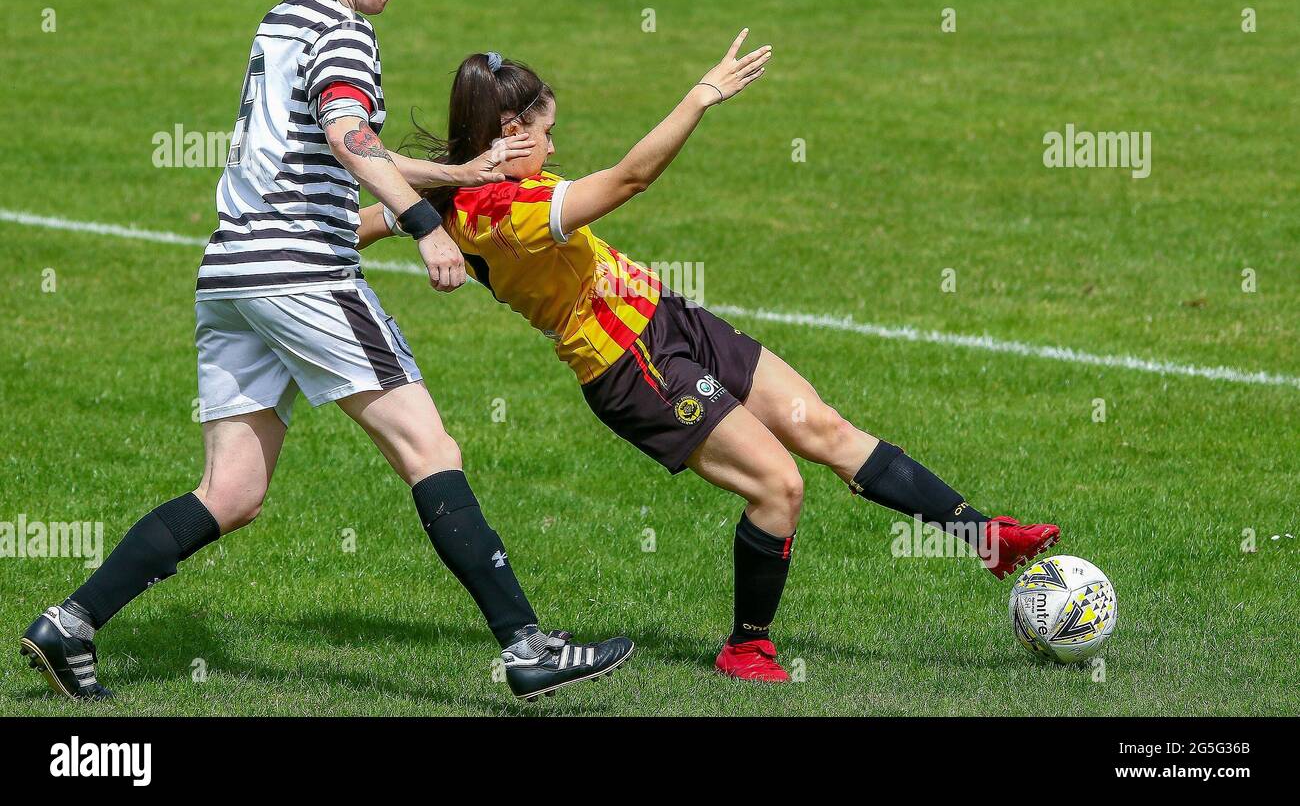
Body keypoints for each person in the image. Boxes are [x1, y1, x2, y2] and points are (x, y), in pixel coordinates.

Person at [19, 0, 632, 704]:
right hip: (303, 268)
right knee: (432, 451)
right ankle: (527, 646)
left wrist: (452, 174)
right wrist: (423, 226)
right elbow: (350, 139)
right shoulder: (346, 35)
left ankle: (70, 622)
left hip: (231, 273)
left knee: (230, 491)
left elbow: (335, 142)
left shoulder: (281, 21)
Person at [358, 34, 1061, 682]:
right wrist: (701, 96)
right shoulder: (500, 211)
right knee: (779, 487)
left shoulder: (455, 194)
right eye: (546, 132)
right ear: (512, 133)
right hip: (630, 367)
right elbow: (631, 178)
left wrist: (321, 238)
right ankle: (746, 645)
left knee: (821, 426)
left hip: (668, 318)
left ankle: (987, 538)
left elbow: (372, 219)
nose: (552, 143)